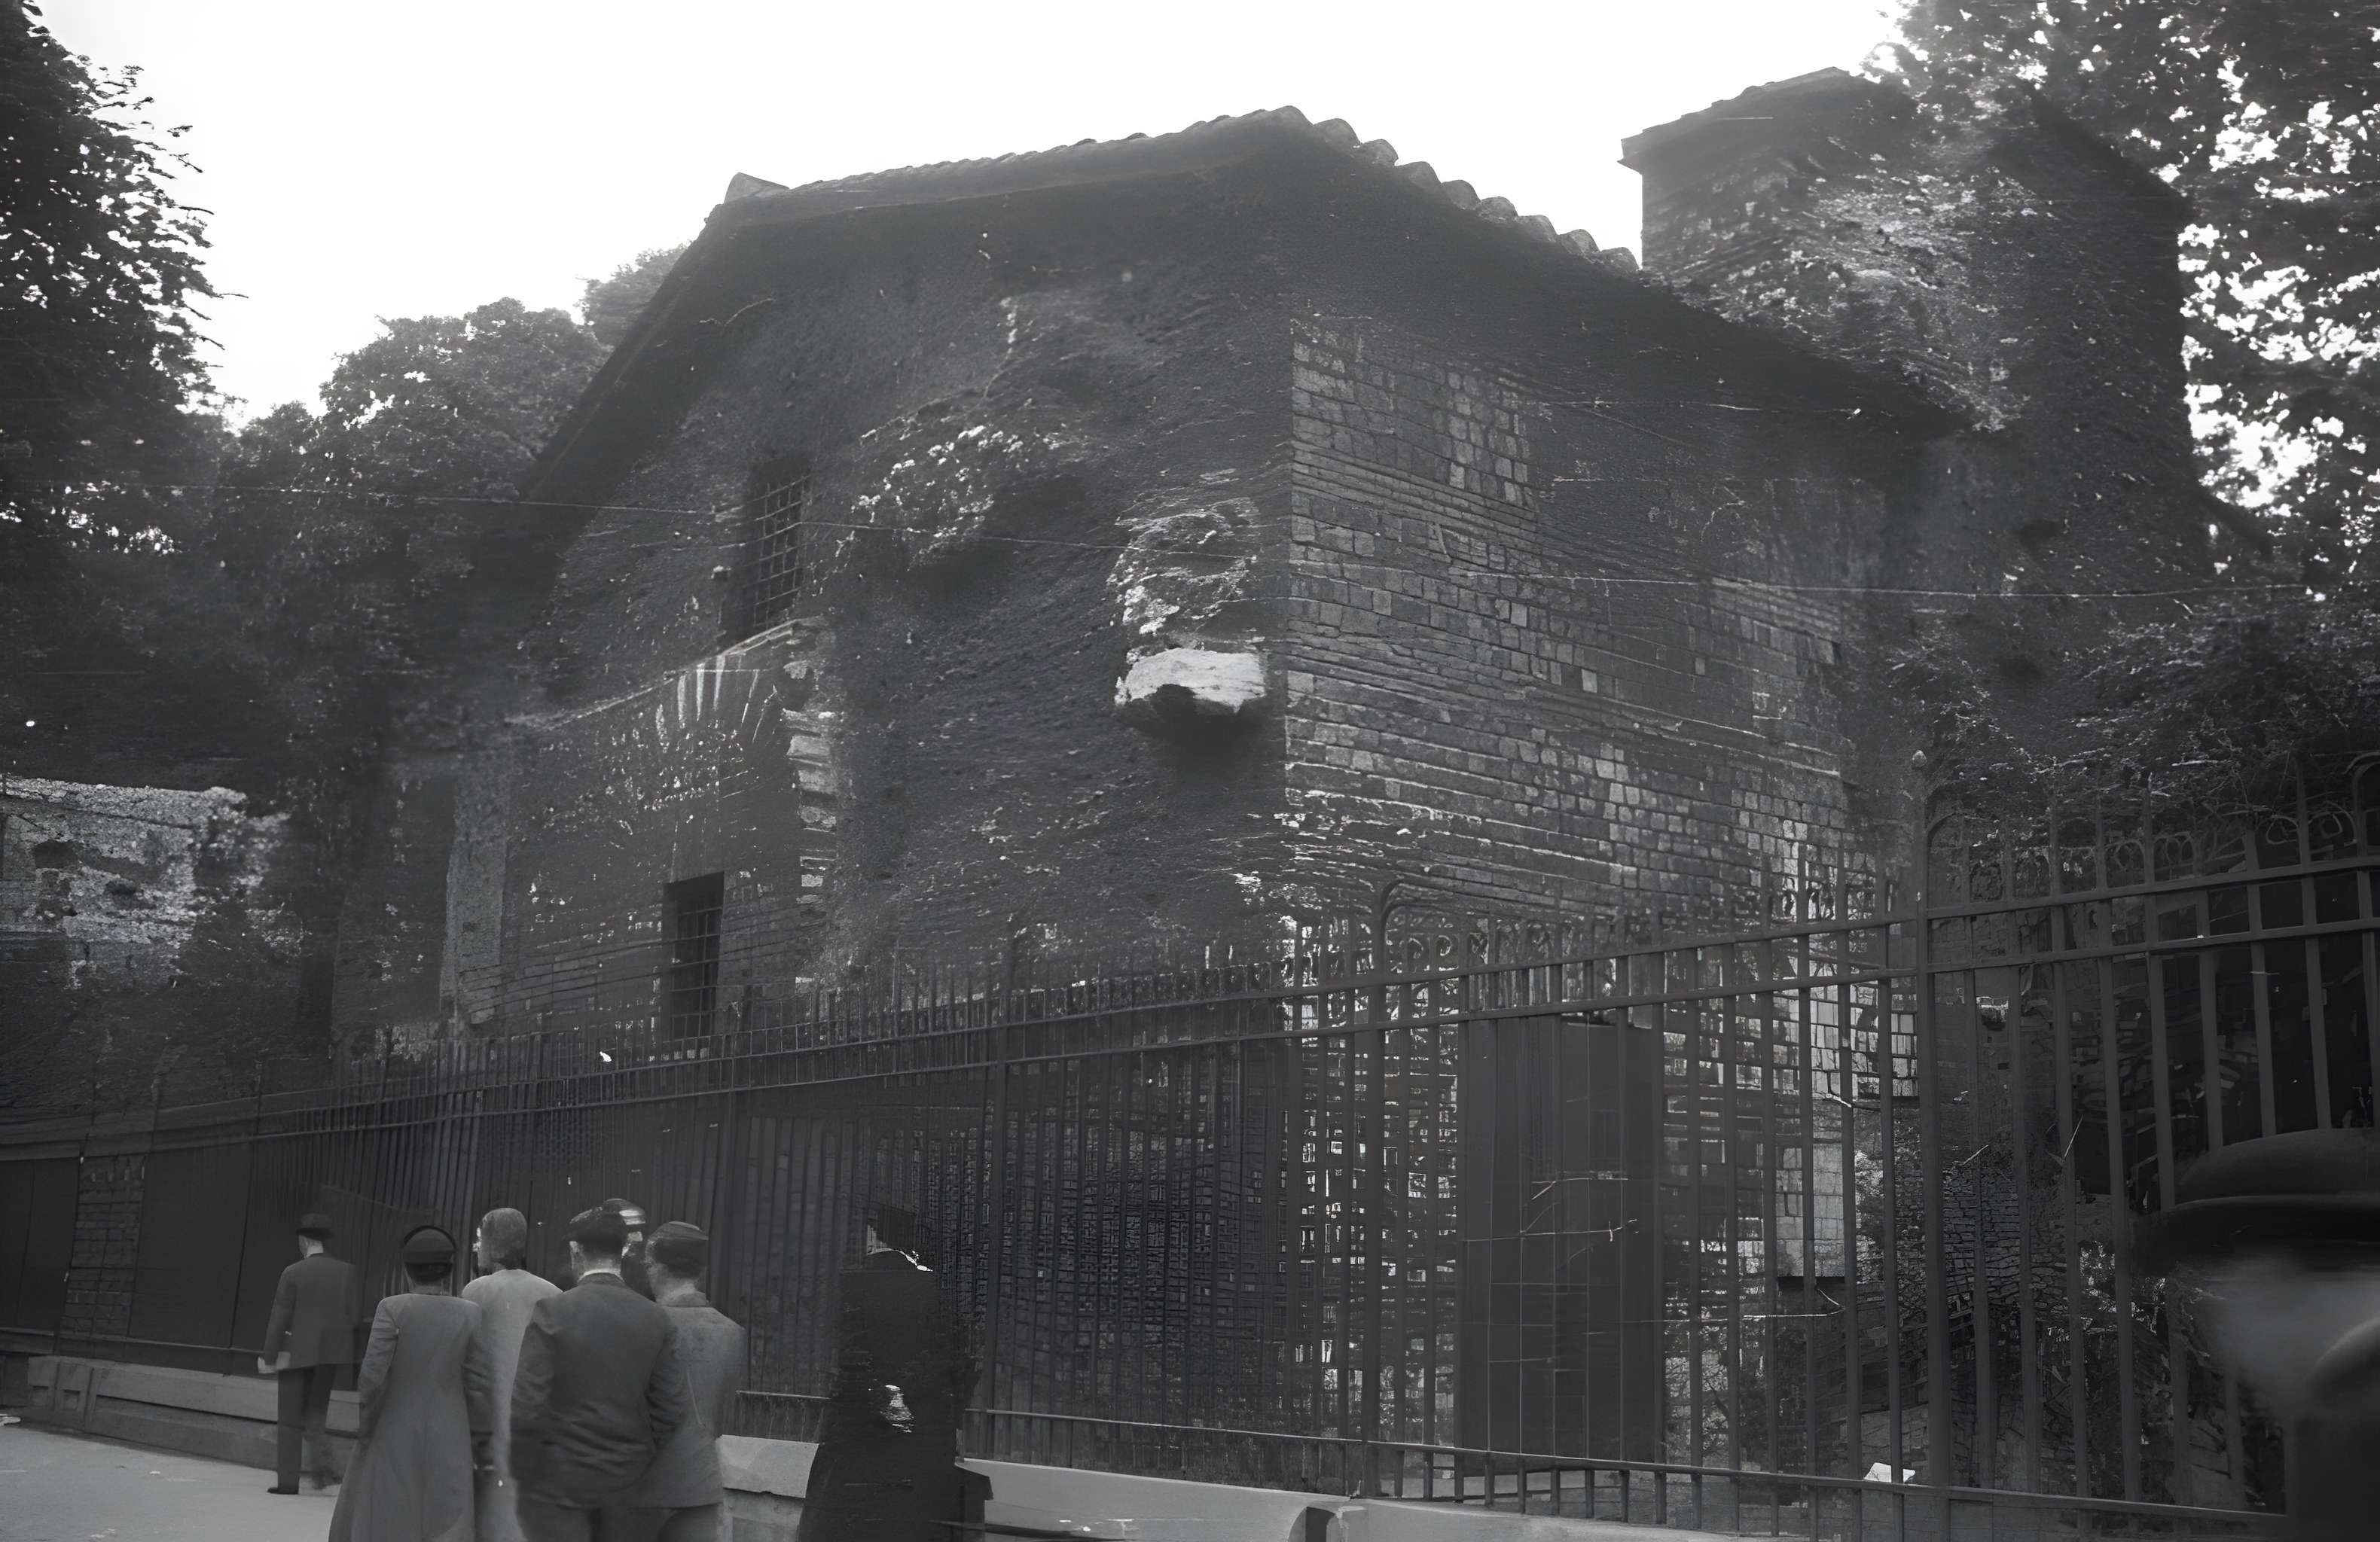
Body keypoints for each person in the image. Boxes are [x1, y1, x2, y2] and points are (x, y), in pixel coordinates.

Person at [511, 1206, 693, 1542]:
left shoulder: (552, 1311)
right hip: (631, 1487)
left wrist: (526, 1474)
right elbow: (673, 1413)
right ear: (622, 1253)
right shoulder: (655, 1317)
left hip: (563, 1487)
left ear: (575, 1251)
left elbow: (526, 1407)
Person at [328, 1226, 493, 1542]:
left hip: (393, 1428)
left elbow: (372, 1378)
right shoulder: (471, 1314)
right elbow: (478, 1383)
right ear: (449, 1270)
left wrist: (366, 1427)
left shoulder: (392, 1308)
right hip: (452, 1432)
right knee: (444, 1518)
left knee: (388, 1517)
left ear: (406, 1270)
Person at [609, 1222, 746, 1542]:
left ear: (657, 1266)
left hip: (640, 1493)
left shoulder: (635, 1325)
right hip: (701, 1488)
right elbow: (723, 1420)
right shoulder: (731, 1332)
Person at [462, 1207, 560, 1542]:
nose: (476, 1247)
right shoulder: (552, 1293)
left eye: (479, 1239)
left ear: (492, 1243)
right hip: (534, 1421)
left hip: (486, 1415)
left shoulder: (475, 1292)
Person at [258, 1211, 359, 1495]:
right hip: (328, 1356)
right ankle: (324, 1471)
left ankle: (288, 1482)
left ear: (303, 1241)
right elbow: (353, 1318)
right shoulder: (346, 1271)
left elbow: (279, 1317)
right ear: (325, 1241)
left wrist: (269, 1356)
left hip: (295, 1353)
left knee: (289, 1418)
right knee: (316, 1413)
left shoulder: (292, 1272)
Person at [601, 1197, 654, 1298]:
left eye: (639, 1230)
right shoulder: (600, 1254)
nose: (639, 1238)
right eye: (631, 1231)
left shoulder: (645, 1260)